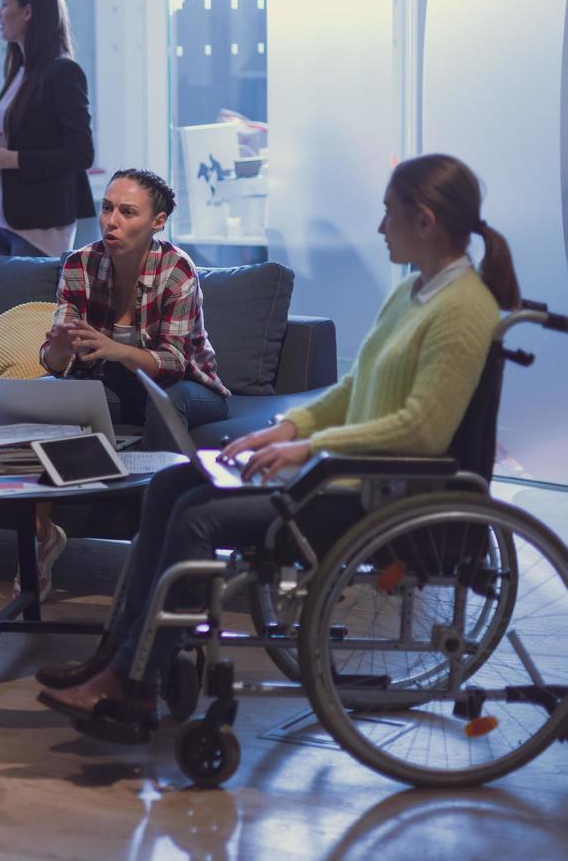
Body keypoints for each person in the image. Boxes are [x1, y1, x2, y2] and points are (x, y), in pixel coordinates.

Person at [35, 154, 519, 734]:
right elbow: (353, 390)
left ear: (425, 220)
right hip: (342, 474)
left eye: (387, 213)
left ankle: (135, 684)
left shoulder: (463, 309)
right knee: (170, 484)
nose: (379, 226)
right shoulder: (413, 295)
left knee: (197, 515)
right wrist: (286, 429)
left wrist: (311, 450)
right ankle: (117, 659)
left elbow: (422, 429)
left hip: (372, 494)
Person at [41, 168, 229, 450]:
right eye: (107, 208)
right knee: (44, 393)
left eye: (127, 212)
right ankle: (59, 488)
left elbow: (174, 364)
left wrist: (117, 350)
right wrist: (59, 349)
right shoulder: (80, 264)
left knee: (167, 398)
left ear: (158, 222)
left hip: (188, 386)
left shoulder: (176, 268)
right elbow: (57, 365)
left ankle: (154, 491)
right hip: (116, 385)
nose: (111, 221)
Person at [0, 0, 94, 258]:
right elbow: (28, 135)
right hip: (1, 217)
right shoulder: (19, 71)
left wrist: (8, 158)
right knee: (5, 304)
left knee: (32, 304)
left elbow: (80, 153)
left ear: (28, 11)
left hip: (38, 226)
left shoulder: (63, 72)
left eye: (5, 5)